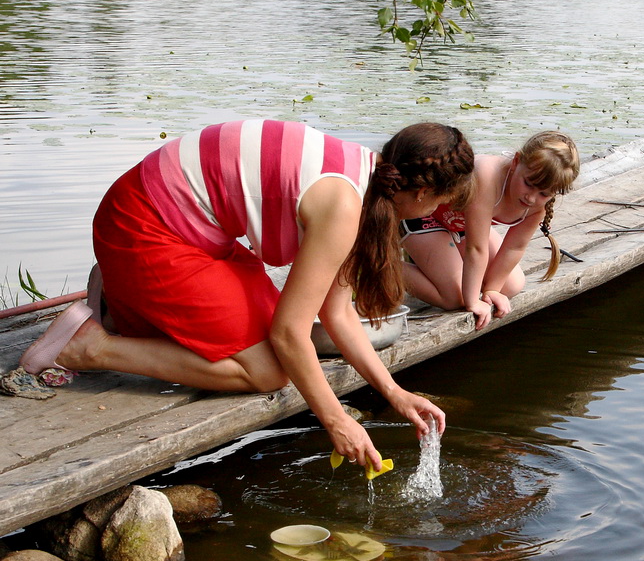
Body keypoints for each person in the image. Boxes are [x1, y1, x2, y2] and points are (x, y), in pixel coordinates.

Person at [19, 119, 475, 470]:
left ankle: (119, 306)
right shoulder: (342, 205)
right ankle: (91, 346)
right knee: (268, 369)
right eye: (439, 203)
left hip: (179, 225)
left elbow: (335, 313)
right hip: (144, 228)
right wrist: (337, 420)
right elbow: (290, 335)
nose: (436, 212)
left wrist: (395, 392)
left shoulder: (363, 175)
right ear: (418, 192)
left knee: (256, 336)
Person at [400, 131, 580, 331]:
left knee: (512, 285)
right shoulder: (487, 175)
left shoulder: (538, 206)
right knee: (456, 297)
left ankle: (438, 265)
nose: (531, 198)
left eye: (544, 193)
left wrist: (492, 290)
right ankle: (381, 267)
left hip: (461, 228)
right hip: (424, 216)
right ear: (516, 161)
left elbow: (514, 248)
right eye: (528, 184)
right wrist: (473, 302)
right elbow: (476, 249)